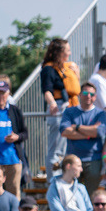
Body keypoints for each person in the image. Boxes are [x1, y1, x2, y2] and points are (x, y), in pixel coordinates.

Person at [41, 39, 81, 176]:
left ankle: (66, 175)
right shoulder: (48, 69)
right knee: (56, 146)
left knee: (66, 146)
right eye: (67, 50)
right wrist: (52, 103)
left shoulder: (66, 68)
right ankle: (53, 178)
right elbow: (47, 90)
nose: (69, 53)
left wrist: (76, 74)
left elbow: (75, 88)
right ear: (59, 52)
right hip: (58, 107)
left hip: (69, 108)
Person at [60, 83, 106, 196]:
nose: (89, 96)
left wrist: (77, 127)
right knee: (70, 195)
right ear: (80, 95)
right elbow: (64, 132)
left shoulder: (100, 113)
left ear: (95, 97)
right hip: (72, 158)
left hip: (93, 159)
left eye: (92, 94)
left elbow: (99, 132)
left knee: (91, 196)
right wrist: (89, 134)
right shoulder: (69, 112)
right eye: (86, 93)